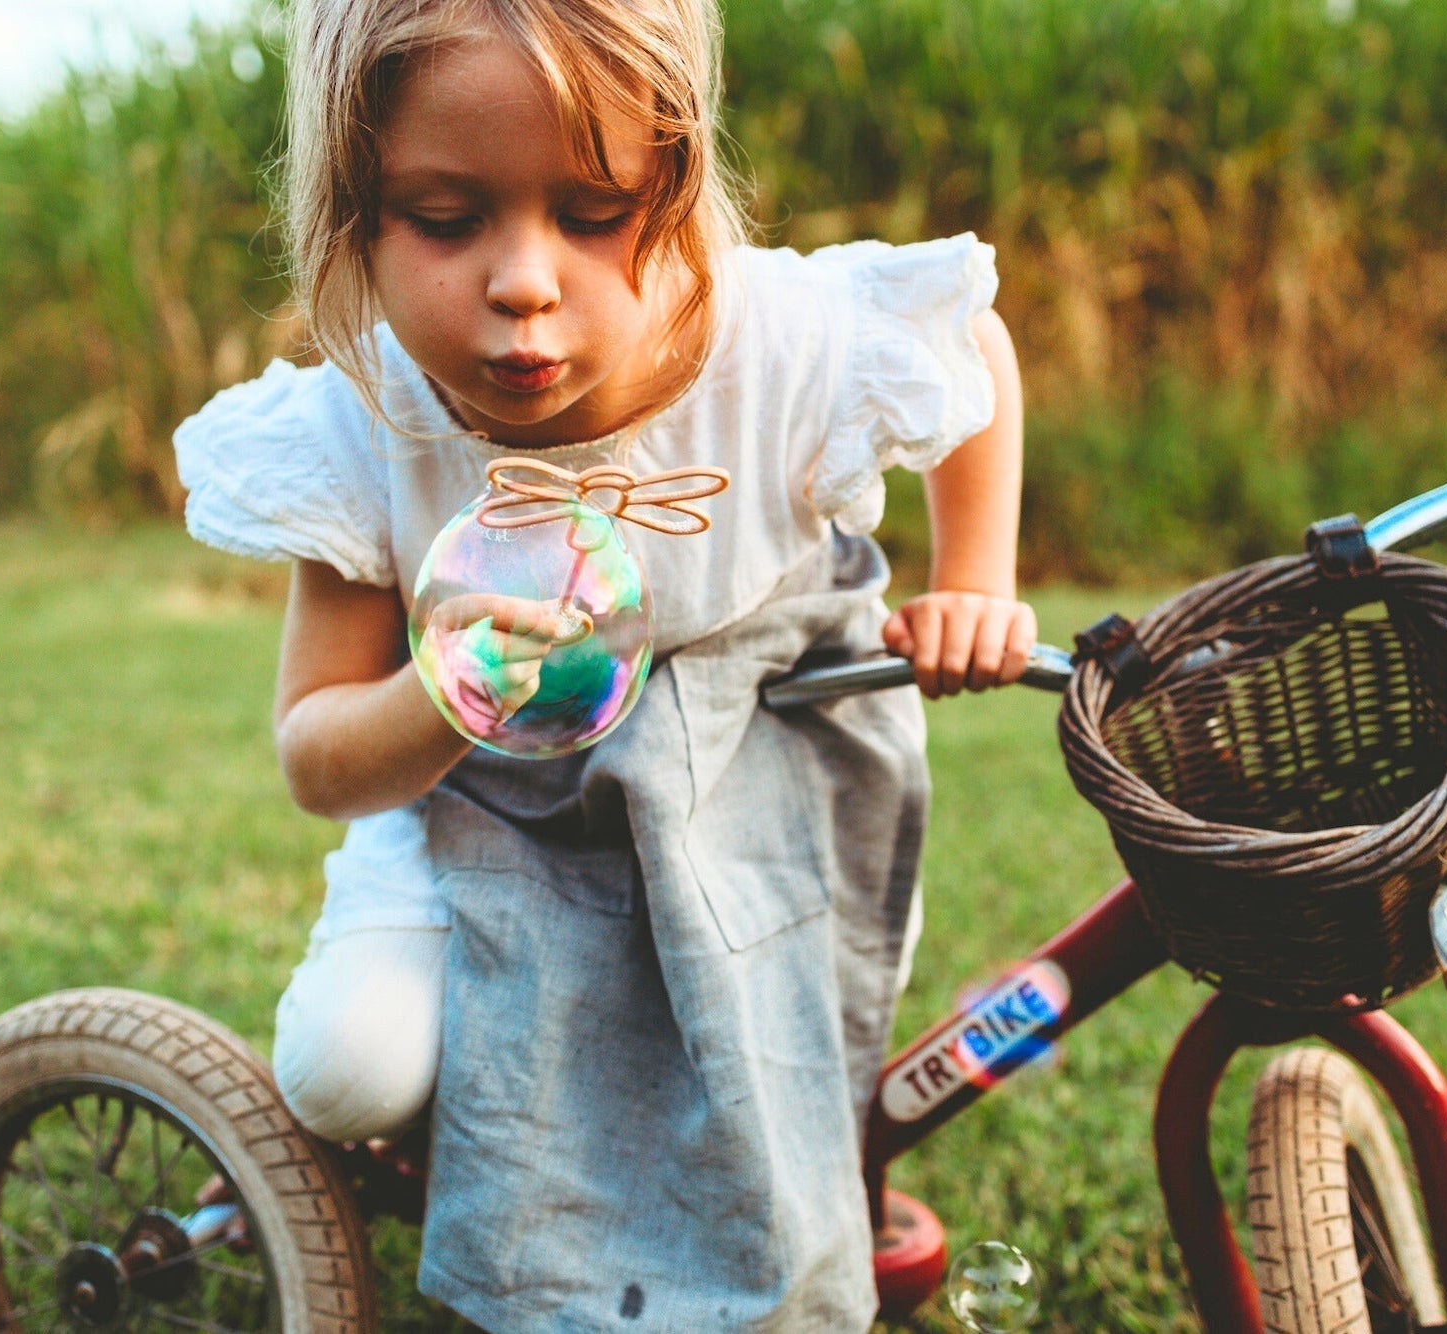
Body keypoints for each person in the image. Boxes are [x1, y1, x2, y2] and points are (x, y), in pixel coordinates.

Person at [173, 0, 1033, 1327]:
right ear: (354, 211)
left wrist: (974, 579)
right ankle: (488, 1135)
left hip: (755, 757)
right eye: (448, 220)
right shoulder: (368, 422)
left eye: (593, 212)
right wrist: (443, 690)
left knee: (783, 1008)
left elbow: (966, 340)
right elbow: (318, 753)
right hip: (480, 792)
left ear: (677, 184)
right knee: (348, 1066)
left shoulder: (772, 343)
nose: (523, 280)